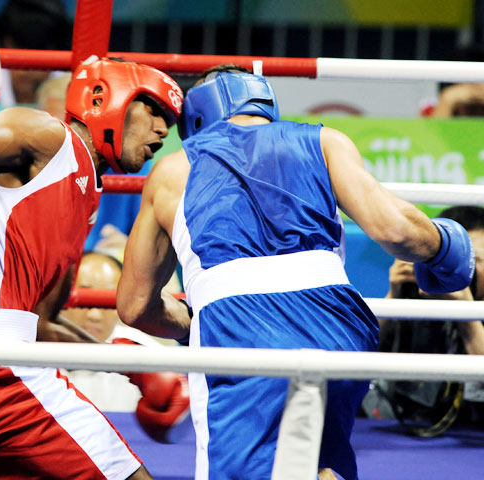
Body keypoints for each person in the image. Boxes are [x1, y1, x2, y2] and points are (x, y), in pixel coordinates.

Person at [116, 65, 475, 480]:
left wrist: (189, 326)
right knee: (322, 462)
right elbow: (396, 229)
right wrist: (446, 248)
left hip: (236, 329)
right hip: (338, 322)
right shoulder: (324, 141)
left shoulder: (171, 171)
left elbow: (135, 304)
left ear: (195, 116)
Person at [0, 38, 183, 479]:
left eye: (170, 120)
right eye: (154, 109)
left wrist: (128, 366)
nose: (163, 129)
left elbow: (38, 324)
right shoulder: (47, 137)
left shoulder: (86, 199)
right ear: (103, 97)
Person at [55, 251, 190, 443]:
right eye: (87, 296)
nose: (95, 314)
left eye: (105, 300)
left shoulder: (146, 355)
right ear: (61, 294)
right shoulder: (28, 347)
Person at [374, 205, 484, 432]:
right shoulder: (414, 294)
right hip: (398, 423)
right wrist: (394, 297)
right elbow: (356, 355)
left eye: (474, 259)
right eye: (450, 258)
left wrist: (466, 313)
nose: (462, 268)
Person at [0, 0, 72, 105]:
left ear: (55, 49)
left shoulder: (72, 87)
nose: (25, 70)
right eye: (19, 46)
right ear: (6, 43)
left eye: (39, 48)